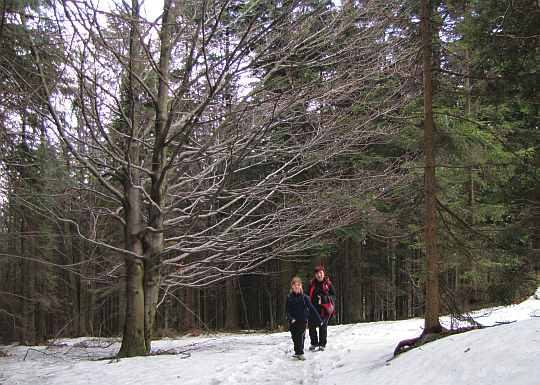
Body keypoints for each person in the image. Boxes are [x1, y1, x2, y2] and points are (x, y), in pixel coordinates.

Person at [285, 277, 323, 360]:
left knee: (299, 335)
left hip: (302, 320)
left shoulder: (304, 297)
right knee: (294, 337)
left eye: (298, 285)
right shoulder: (289, 297)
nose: (296, 287)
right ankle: (297, 351)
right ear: (292, 286)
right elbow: (286, 309)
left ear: (301, 286)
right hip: (293, 320)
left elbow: (312, 308)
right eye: (295, 285)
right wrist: (290, 318)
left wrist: (319, 319)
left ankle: (300, 353)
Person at [307, 265, 336, 351]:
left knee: (323, 326)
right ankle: (314, 343)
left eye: (321, 273)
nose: (319, 275)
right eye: (317, 273)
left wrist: (324, 298)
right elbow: (308, 294)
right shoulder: (312, 283)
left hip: (325, 308)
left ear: (324, 274)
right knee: (311, 326)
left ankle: (322, 344)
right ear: (315, 275)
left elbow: (333, 296)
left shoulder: (328, 284)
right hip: (313, 308)